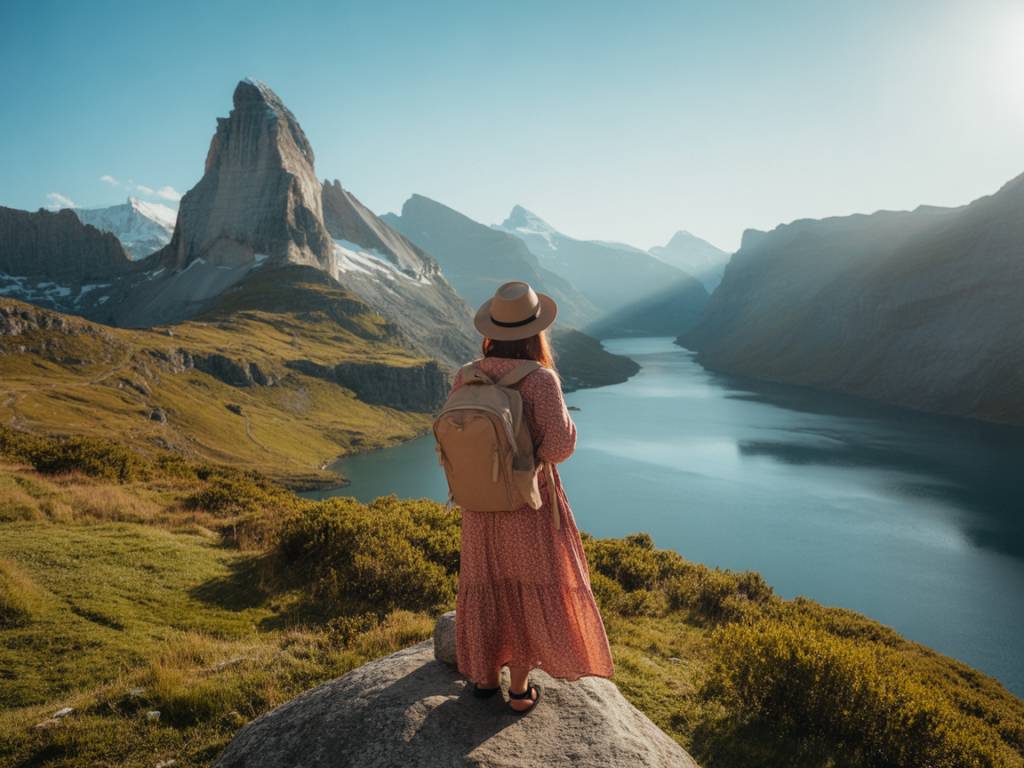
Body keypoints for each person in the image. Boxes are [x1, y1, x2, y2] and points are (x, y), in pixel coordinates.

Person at [450, 280, 614, 715]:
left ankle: (484, 681)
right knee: (526, 588)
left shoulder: (467, 374)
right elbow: (559, 447)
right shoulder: (540, 379)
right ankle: (519, 691)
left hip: (479, 504)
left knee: (487, 584)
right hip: (527, 502)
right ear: (535, 332)